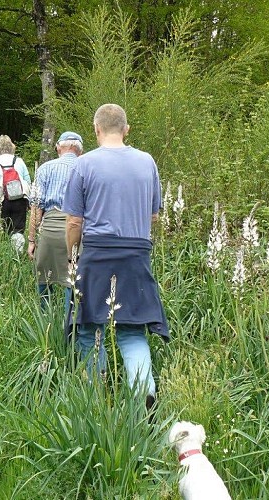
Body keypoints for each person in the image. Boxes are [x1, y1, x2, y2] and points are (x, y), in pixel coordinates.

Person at [62, 103, 170, 409]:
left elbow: (73, 221)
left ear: (96, 130)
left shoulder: (84, 165)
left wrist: (72, 257)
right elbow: (154, 216)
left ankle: (99, 396)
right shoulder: (147, 162)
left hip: (96, 253)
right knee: (132, 330)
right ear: (126, 130)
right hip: (136, 254)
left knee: (88, 327)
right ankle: (144, 393)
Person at [28, 131, 83, 314]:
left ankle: (44, 321)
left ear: (59, 147)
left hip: (50, 228)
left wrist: (31, 240)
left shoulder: (45, 168)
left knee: (44, 277)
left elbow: (36, 207)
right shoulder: (87, 167)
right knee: (72, 278)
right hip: (79, 230)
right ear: (79, 151)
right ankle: (69, 326)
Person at [0, 135, 31, 251]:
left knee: (2, 227)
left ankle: (3, 252)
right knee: (18, 228)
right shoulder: (18, 161)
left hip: (2, 200)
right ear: (11, 146)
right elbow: (28, 181)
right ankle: (17, 254)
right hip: (20, 199)